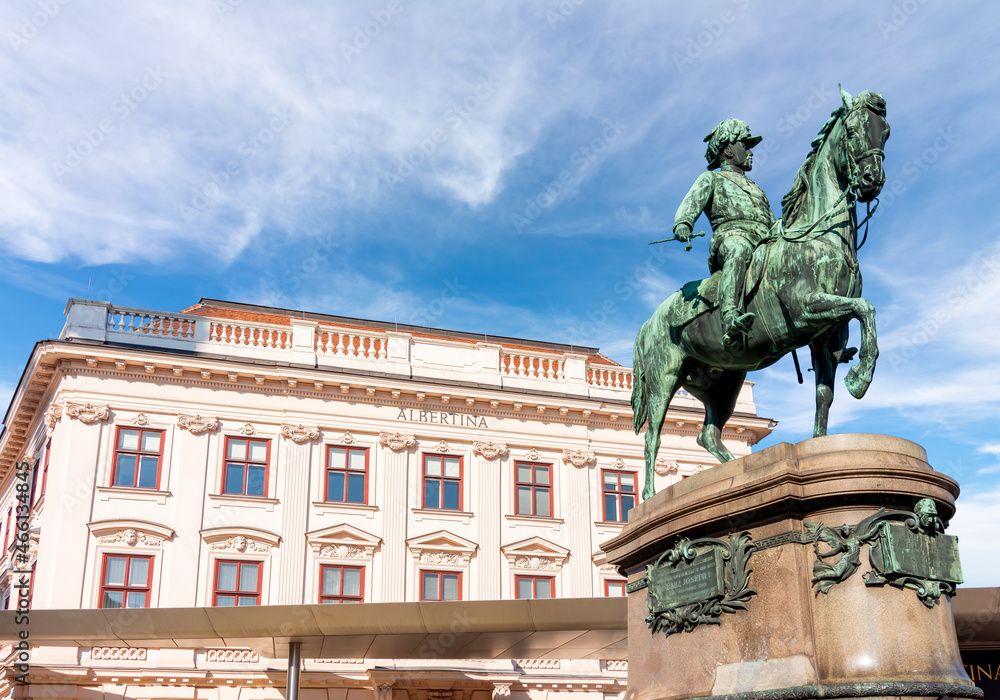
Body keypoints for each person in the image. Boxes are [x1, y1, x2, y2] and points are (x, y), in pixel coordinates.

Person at [673, 118, 776, 346]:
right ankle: (730, 316)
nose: (750, 152)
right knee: (739, 248)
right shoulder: (712, 178)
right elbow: (690, 204)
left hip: (764, 240)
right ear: (729, 149)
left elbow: (771, 220)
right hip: (731, 237)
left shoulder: (757, 188)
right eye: (745, 145)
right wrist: (684, 224)